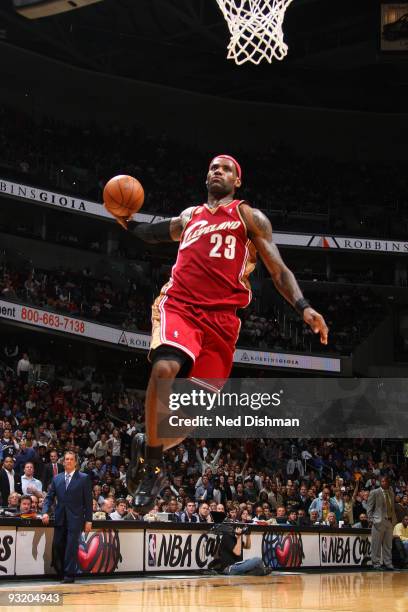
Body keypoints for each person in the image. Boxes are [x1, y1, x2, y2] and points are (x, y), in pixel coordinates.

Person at [116, 155, 328, 511]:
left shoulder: (249, 217)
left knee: (186, 422)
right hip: (180, 304)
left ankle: (145, 443)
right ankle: (154, 467)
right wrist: (128, 222)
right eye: (214, 167)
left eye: (226, 168)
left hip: (222, 321)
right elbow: (155, 234)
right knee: (165, 368)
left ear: (237, 181)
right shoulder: (190, 216)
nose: (218, 171)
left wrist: (304, 306)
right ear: (207, 177)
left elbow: (278, 271)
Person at [42, 451, 93, 583]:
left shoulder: (84, 478)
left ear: (76, 462)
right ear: (63, 462)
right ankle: (61, 571)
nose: (68, 461)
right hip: (60, 518)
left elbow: (88, 502)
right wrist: (45, 512)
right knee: (57, 545)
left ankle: (69, 575)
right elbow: (49, 498)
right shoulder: (57, 478)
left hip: (75, 520)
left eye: (71, 459)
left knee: (71, 546)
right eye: (66, 459)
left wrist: (88, 520)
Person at [366, 476, 397, 571]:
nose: (383, 483)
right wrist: (372, 520)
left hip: (390, 521)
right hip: (378, 521)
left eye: (385, 481)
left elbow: (392, 507)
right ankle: (376, 564)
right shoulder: (374, 492)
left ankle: (388, 563)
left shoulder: (391, 492)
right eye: (382, 481)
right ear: (380, 482)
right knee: (376, 544)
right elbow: (369, 508)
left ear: (388, 482)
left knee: (388, 545)